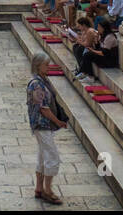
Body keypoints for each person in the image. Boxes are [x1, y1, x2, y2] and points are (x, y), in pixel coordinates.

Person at [27, 52, 68, 204]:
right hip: (41, 124)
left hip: (44, 125)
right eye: (46, 64)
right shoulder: (36, 84)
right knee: (52, 156)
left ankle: (39, 188)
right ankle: (48, 190)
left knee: (43, 155)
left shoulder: (43, 80)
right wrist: (57, 121)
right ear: (38, 66)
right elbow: (43, 108)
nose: (48, 66)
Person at [74, 18, 118, 82]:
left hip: (109, 60)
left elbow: (104, 53)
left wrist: (92, 50)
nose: (98, 29)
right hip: (104, 57)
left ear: (104, 28)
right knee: (86, 53)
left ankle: (90, 76)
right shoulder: (102, 35)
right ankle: (83, 72)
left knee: (88, 55)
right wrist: (96, 41)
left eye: (99, 27)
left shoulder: (110, 37)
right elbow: (99, 48)